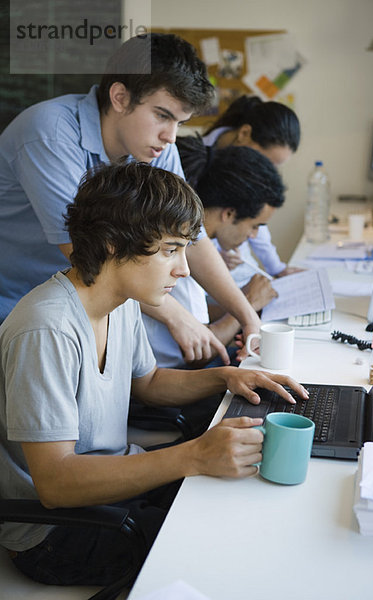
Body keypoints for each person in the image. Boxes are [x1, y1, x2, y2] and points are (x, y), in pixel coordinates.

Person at [0, 162, 308, 589]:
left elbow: (149, 384)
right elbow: (55, 484)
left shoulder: (121, 300)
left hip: (113, 489)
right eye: (169, 250)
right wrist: (194, 455)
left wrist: (226, 377)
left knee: (241, 503)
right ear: (111, 243)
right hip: (56, 533)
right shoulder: (46, 328)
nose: (183, 269)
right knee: (227, 550)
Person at [0, 33, 261, 367]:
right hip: (26, 306)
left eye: (180, 123)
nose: (171, 136)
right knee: (177, 339)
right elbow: (87, 254)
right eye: (163, 115)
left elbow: (190, 236)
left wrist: (246, 315)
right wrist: (178, 318)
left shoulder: (155, 147)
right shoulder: (48, 133)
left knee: (188, 324)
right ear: (120, 97)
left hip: (95, 295)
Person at [144, 138, 284, 368]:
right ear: (229, 214)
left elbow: (197, 316)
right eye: (254, 226)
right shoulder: (179, 256)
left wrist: (241, 304)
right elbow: (201, 351)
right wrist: (248, 303)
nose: (253, 236)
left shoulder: (200, 250)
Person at [201, 95, 303, 286]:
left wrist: (278, 269)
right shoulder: (194, 161)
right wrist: (208, 256)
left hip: (236, 273)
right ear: (244, 133)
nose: (264, 169)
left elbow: (255, 218)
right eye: (267, 161)